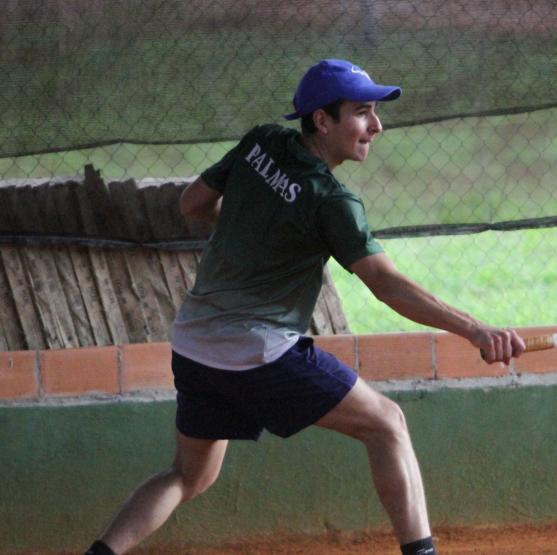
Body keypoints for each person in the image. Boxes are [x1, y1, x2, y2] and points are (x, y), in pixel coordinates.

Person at [85, 59, 525, 555]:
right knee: (387, 424)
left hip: (194, 344)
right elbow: (386, 283)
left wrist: (243, 227)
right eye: (362, 113)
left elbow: (192, 203)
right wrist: (476, 330)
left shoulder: (261, 142)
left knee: (187, 476)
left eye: (375, 113)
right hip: (258, 352)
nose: (376, 127)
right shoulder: (331, 199)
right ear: (322, 120)